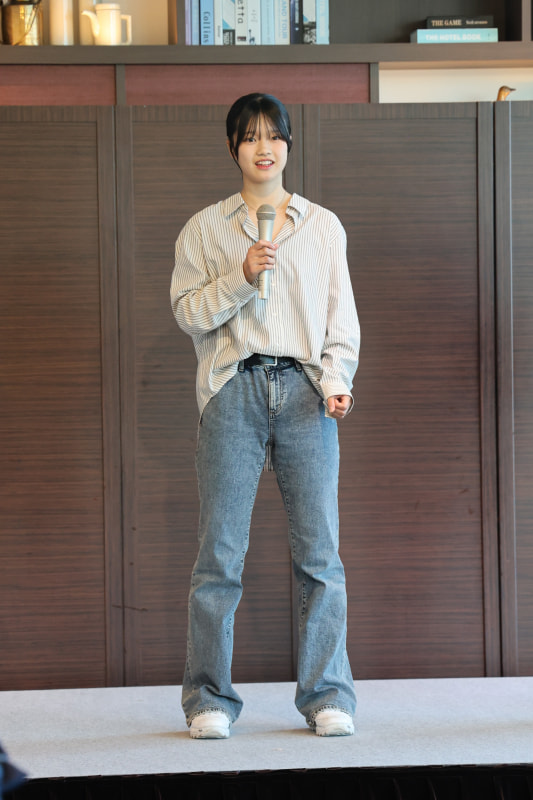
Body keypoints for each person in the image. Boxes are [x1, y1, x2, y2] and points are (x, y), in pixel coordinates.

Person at [170, 93, 360, 739]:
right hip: (234, 389)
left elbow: (340, 319)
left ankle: (327, 696)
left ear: (287, 145)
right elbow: (188, 314)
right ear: (233, 148)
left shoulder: (322, 225)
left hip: (306, 392)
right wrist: (240, 276)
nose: (263, 147)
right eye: (249, 136)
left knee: (320, 556)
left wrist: (336, 382)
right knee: (219, 556)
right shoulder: (205, 229)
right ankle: (208, 702)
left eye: (273, 135)